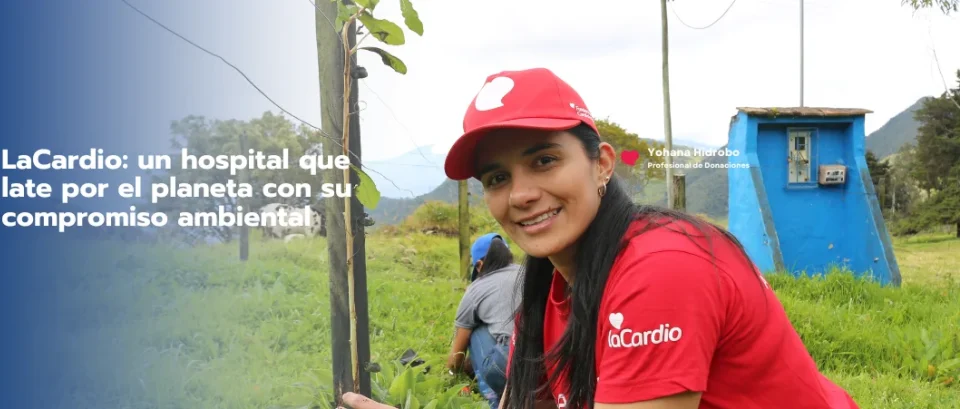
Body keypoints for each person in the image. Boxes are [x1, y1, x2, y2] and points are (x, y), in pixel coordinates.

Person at [339, 67, 863, 409]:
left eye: (545, 160)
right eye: (497, 177)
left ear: (602, 164)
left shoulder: (662, 266)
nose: (520, 194)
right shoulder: (544, 288)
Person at [447, 232, 522, 409]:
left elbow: (456, 357)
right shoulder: (528, 272)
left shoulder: (476, 289)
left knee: (474, 330)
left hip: (509, 368)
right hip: (551, 366)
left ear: (480, 265)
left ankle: (495, 400)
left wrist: (452, 373)